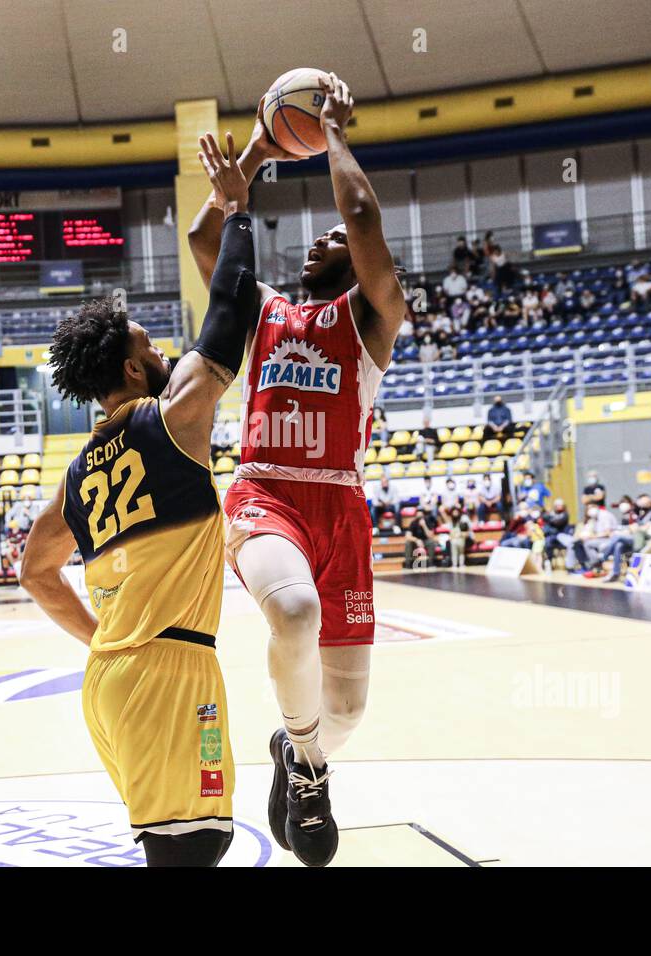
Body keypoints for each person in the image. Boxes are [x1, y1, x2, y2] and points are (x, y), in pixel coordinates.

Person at [19, 132, 257, 868]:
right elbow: (231, 314)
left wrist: (102, 640)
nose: (165, 354)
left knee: (192, 844)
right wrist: (239, 213)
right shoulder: (176, 416)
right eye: (154, 348)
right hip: (169, 674)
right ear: (133, 366)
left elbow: (34, 570)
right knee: (192, 848)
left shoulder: (79, 471)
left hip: (112, 681)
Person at [187, 74, 406, 867]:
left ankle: (299, 747)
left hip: (340, 509)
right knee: (294, 612)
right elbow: (203, 243)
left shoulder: (373, 319)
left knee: (344, 708)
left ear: (363, 266)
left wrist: (334, 136)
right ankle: (310, 774)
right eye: (318, 239)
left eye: (336, 244)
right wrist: (252, 157)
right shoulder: (268, 310)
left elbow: (363, 214)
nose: (323, 239)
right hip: (264, 489)